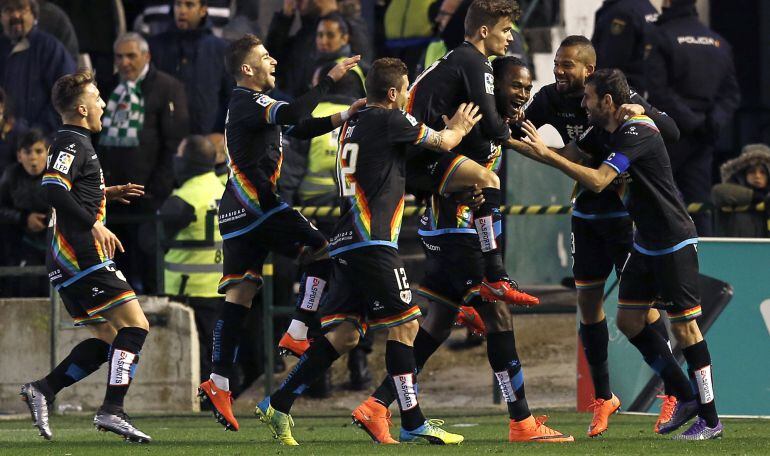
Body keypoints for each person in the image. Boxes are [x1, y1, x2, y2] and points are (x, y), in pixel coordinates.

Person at [352, 56, 574, 444]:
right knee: (499, 317)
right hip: (456, 232)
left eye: (526, 87)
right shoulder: (471, 123)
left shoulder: (499, 123)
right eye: (514, 86)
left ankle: (377, 404)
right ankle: (521, 421)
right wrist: (448, 184)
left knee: (436, 324)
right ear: (491, 88)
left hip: (448, 231)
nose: (521, 94)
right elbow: (418, 167)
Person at [256, 57, 478, 446]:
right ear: (393, 93)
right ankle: (412, 420)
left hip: (346, 241)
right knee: (407, 325)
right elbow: (443, 143)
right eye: (406, 89)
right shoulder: (392, 119)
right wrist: (458, 127)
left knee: (344, 335)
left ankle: (279, 402)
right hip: (372, 241)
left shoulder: (351, 126)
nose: (410, 95)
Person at [517, 68, 724, 440]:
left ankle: (709, 417)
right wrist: (508, 141)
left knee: (685, 327)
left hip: (672, 239)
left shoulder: (637, 131)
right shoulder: (608, 131)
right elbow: (572, 154)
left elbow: (597, 179)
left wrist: (546, 156)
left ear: (607, 102)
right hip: (645, 241)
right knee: (629, 321)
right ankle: (683, 394)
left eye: (588, 99)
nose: (583, 104)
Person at [195, 33, 364, 432]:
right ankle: (299, 329)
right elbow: (294, 114)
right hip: (259, 206)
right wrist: (327, 82)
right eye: (266, 57)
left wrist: (344, 115)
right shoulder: (247, 100)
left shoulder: (253, 107)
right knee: (324, 248)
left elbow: (299, 129)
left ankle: (218, 380)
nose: (273, 62)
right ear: (247, 69)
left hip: (236, 210)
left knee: (241, 293)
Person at [20, 70, 151, 443]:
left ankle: (43, 389)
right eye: (97, 98)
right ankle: (112, 410)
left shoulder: (74, 143)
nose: (103, 105)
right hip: (81, 254)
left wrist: (103, 191)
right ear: (81, 108)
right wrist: (93, 223)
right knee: (136, 327)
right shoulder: (73, 142)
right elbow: (52, 187)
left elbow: (70, 189)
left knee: (113, 341)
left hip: (65, 260)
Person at [405, 0, 537, 306]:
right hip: (420, 155)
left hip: (421, 154)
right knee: (488, 179)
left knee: (479, 186)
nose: (510, 37)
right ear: (483, 31)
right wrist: (524, 143)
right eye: (505, 30)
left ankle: (464, 297)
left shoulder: (462, 61)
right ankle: (496, 276)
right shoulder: (475, 61)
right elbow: (491, 124)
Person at [98, 32, 189, 294]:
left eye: (131, 56)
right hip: (114, 198)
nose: (124, 62)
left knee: (150, 264)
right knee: (117, 265)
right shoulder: (108, 87)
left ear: (146, 56)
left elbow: (174, 143)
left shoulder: (168, 88)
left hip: (148, 199)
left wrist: (155, 190)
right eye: (119, 56)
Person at [646, 0, 741, 236]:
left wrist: (691, 122)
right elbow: (731, 94)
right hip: (704, 138)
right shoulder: (718, 42)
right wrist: (712, 121)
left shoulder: (661, 36)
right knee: (700, 206)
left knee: (657, 201)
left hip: (670, 133)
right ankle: (704, 264)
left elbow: (658, 91)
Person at [155, 135, 226, 383]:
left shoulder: (184, 197)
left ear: (188, 161)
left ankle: (205, 403)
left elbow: (152, 240)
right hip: (222, 286)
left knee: (197, 357)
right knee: (219, 353)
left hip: (189, 288)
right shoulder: (224, 189)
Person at [149, 0, 234, 134]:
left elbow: (231, 96)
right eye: (178, 4)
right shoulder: (155, 46)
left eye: (189, 5)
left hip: (207, 140)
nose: (182, 11)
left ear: (203, 10)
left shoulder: (221, 49)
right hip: (165, 139)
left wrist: (221, 133)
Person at [266, 0, 373, 97]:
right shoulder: (305, 32)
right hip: (296, 105)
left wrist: (331, 11)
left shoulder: (346, 25)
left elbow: (363, 61)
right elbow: (272, 56)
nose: (296, 2)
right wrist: (285, 17)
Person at [0, 0, 76, 134]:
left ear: (34, 15)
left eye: (22, 9)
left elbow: (68, 96)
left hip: (41, 144)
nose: (16, 15)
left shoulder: (50, 49)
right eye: (8, 10)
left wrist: (38, 132)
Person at [0, 128, 49, 296]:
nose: (33, 158)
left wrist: (51, 219)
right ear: (20, 155)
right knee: (27, 287)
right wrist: (23, 218)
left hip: (58, 243)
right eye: (27, 152)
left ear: (48, 152)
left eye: (39, 151)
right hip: (22, 243)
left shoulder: (58, 175)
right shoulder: (12, 175)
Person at [591, 0, 658, 93]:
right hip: (639, 89)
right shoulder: (648, 7)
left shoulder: (621, 13)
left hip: (620, 92)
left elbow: (610, 61)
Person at [712, 143, 770, 237]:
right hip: (735, 249)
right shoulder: (728, 191)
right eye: (752, 171)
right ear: (743, 173)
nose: (757, 176)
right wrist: (754, 196)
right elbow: (718, 193)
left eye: (763, 172)